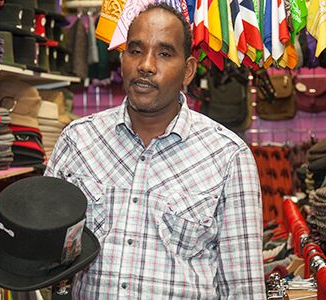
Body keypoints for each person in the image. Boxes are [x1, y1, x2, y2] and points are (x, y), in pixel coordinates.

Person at [45, 3, 264, 298]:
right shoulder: (78, 140)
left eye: (164, 53)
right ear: (122, 59)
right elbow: (45, 255)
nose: (146, 65)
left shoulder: (227, 156)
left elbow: (242, 287)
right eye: (135, 50)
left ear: (188, 70)